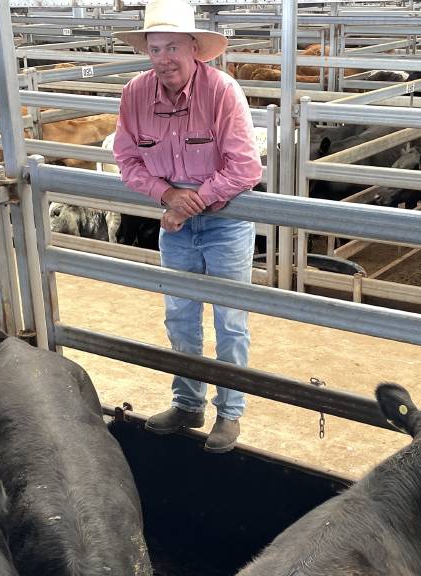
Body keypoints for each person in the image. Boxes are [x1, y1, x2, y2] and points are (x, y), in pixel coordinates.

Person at [113, 0, 263, 453]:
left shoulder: (223, 92)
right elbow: (126, 159)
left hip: (226, 219)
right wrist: (166, 196)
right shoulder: (135, 94)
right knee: (179, 316)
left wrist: (187, 204)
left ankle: (229, 413)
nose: (163, 58)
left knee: (229, 320)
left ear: (194, 48)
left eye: (172, 46)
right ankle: (188, 403)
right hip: (173, 219)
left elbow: (245, 168)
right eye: (155, 48)